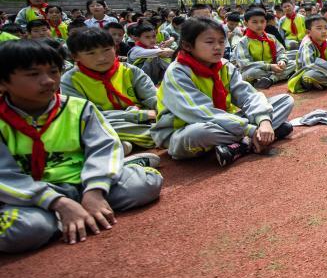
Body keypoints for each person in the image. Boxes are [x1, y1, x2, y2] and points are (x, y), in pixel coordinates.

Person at [0, 40, 163, 253]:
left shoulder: (78, 108)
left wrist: (95, 190)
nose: (48, 81)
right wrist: (57, 202)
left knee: (144, 186)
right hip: (31, 194)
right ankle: (60, 215)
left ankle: (86, 200)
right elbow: (5, 176)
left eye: (54, 71)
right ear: (3, 82)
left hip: (83, 181)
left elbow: (103, 146)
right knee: (27, 230)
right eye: (33, 74)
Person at [151, 17, 294, 167]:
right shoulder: (177, 72)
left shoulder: (224, 66)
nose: (218, 47)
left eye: (221, 41)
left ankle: (241, 145)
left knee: (285, 101)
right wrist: (251, 130)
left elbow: (248, 95)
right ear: (187, 46)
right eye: (209, 42)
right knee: (200, 132)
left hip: (227, 121)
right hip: (186, 128)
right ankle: (256, 138)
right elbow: (202, 113)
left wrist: (263, 120)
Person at [62, 28, 158, 152]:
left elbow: (152, 97)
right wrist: (136, 115)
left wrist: (163, 109)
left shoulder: (130, 70)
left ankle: (117, 145)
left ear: (115, 48)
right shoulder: (70, 80)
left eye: (107, 50)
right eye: (91, 53)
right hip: (111, 121)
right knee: (84, 126)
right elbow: (85, 116)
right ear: (75, 56)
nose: (101, 58)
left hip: (143, 119)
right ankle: (155, 136)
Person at [232, 8, 294, 90]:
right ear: (246, 23)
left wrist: (282, 61)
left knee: (292, 63)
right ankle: (277, 77)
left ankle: (270, 79)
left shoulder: (271, 37)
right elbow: (245, 64)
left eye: (262, 21)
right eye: (255, 22)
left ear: (266, 22)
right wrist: (269, 66)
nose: (259, 25)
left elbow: (281, 51)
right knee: (253, 73)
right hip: (257, 70)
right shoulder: (243, 42)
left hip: (273, 67)